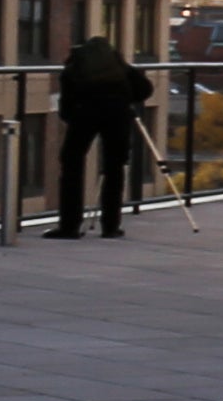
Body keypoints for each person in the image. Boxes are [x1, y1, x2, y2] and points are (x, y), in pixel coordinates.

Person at [53, 20, 154, 240]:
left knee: (71, 165)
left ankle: (69, 226)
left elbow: (65, 108)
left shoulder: (74, 67)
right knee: (114, 169)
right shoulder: (118, 66)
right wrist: (125, 100)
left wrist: (75, 117)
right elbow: (145, 89)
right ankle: (110, 226)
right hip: (118, 116)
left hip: (84, 117)